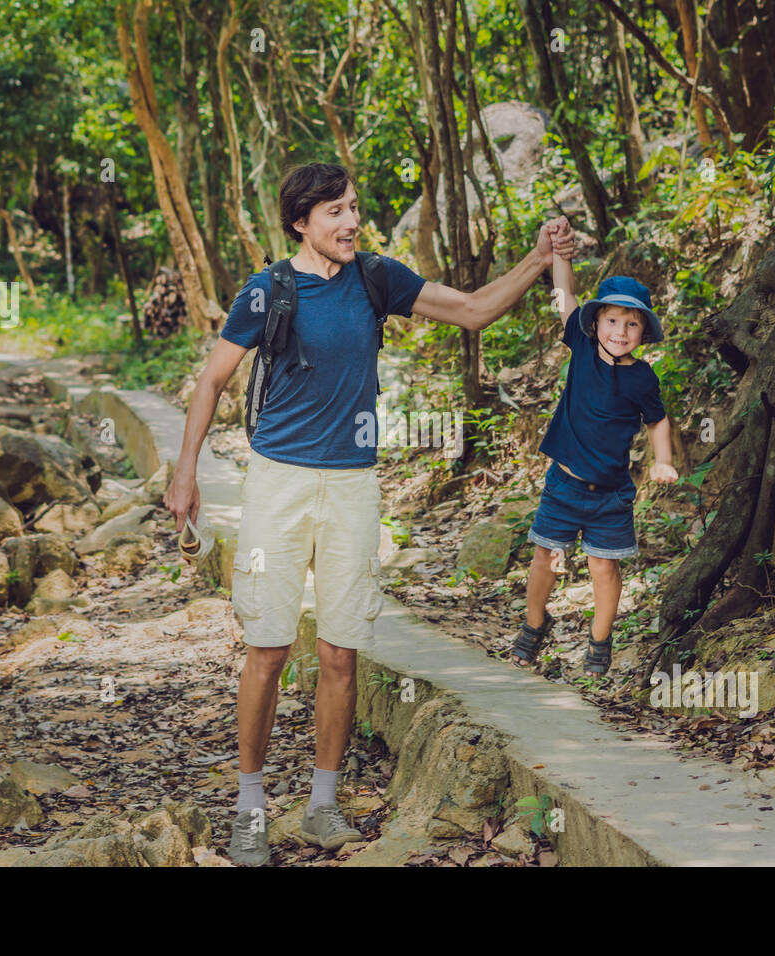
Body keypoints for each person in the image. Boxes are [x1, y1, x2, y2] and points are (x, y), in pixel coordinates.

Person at [162, 161, 574, 865]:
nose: (351, 222)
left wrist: (540, 259)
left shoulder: (376, 278)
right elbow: (213, 379)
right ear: (301, 222)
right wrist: (185, 472)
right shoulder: (268, 293)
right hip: (278, 483)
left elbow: (472, 309)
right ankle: (251, 807)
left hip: (352, 485)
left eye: (353, 208)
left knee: (340, 650)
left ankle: (323, 805)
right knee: (266, 647)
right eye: (334, 213)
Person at [511, 222, 678, 675]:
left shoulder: (642, 377)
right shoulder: (582, 348)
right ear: (597, 322)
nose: (620, 331)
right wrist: (560, 251)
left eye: (631, 324)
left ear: (643, 330)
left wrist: (663, 461)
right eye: (611, 320)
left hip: (610, 494)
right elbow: (565, 296)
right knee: (544, 555)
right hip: (564, 484)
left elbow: (658, 420)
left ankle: (599, 642)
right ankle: (533, 625)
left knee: (604, 568)